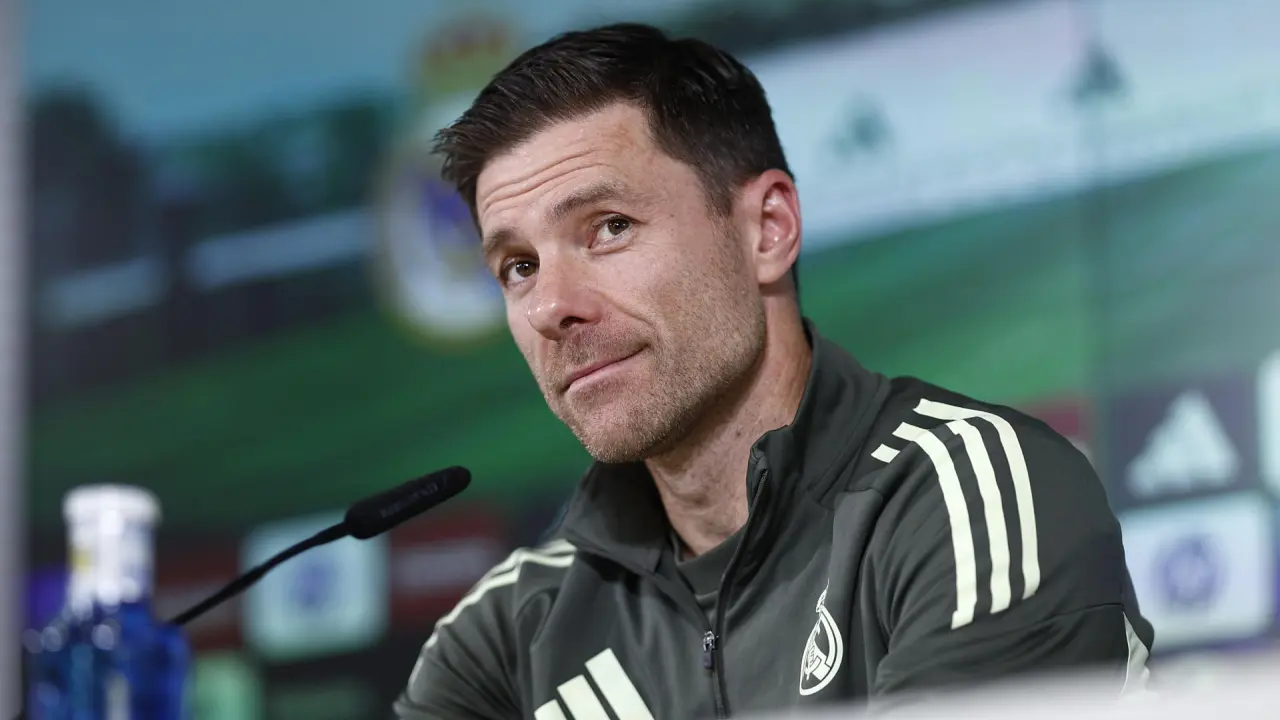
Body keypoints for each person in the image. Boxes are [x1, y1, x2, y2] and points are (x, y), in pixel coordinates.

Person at [395, 22, 1154, 720]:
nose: (550, 307)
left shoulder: (972, 496)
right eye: (519, 266)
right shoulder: (506, 636)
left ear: (768, 229)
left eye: (610, 228)